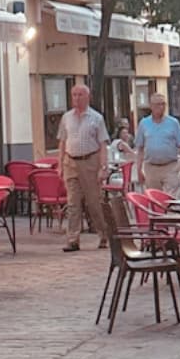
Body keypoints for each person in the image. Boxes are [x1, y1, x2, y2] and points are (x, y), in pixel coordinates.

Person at [57, 82, 111, 252]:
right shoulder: (66, 117)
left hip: (90, 162)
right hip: (71, 162)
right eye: (74, 95)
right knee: (73, 203)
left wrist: (103, 166)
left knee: (94, 202)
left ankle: (104, 234)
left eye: (80, 95)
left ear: (87, 97)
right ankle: (73, 239)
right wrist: (60, 164)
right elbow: (62, 142)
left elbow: (103, 144)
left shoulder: (96, 118)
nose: (77, 98)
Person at [135, 92, 180, 193]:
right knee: (155, 199)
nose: (161, 107)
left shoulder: (173, 123)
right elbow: (140, 149)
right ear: (151, 106)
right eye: (158, 104)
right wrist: (139, 170)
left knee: (169, 199)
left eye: (163, 104)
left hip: (170, 167)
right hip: (151, 168)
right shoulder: (144, 124)